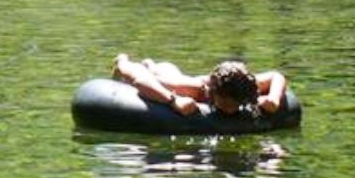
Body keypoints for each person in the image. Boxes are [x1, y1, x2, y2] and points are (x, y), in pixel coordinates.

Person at [111, 54, 287, 117]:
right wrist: (173, 100)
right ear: (213, 92)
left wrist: (274, 99)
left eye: (236, 105)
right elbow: (140, 80)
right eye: (226, 104)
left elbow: (275, 76)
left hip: (177, 74)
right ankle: (126, 59)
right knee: (155, 72)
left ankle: (151, 63)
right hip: (168, 78)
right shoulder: (194, 89)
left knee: (170, 72)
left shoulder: (243, 87)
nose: (231, 110)